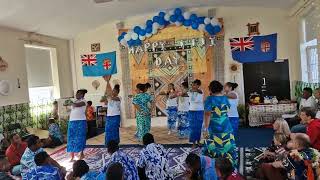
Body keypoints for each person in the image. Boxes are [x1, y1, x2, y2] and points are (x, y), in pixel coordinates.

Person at [203, 81, 237, 166]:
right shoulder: (225, 98)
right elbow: (227, 108)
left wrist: (205, 128)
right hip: (226, 125)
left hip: (213, 126)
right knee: (226, 143)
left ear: (211, 89)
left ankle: (214, 164)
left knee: (213, 144)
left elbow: (207, 114)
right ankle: (229, 164)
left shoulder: (209, 99)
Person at [67, 89, 88, 161]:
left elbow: (77, 105)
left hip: (80, 121)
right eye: (76, 94)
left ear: (82, 95)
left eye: (78, 94)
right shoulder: (75, 101)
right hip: (72, 121)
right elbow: (69, 110)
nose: (76, 95)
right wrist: (66, 105)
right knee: (71, 138)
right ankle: (72, 156)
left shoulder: (84, 101)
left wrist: (70, 102)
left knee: (80, 138)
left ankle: (81, 154)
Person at [104, 76, 121, 145]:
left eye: (115, 91)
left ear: (117, 92)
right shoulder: (109, 98)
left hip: (115, 116)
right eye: (113, 90)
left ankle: (115, 143)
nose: (113, 92)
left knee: (114, 130)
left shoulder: (119, 97)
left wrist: (108, 82)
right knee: (108, 130)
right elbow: (105, 100)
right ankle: (108, 143)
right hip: (109, 116)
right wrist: (107, 82)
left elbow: (111, 96)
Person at [188, 79, 204, 147]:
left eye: (195, 84)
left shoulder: (201, 91)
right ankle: (193, 143)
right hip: (191, 110)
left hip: (199, 111)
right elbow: (189, 97)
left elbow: (199, 91)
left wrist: (194, 89)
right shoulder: (190, 91)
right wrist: (191, 90)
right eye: (193, 84)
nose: (193, 86)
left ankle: (198, 141)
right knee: (192, 127)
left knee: (198, 127)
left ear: (198, 85)